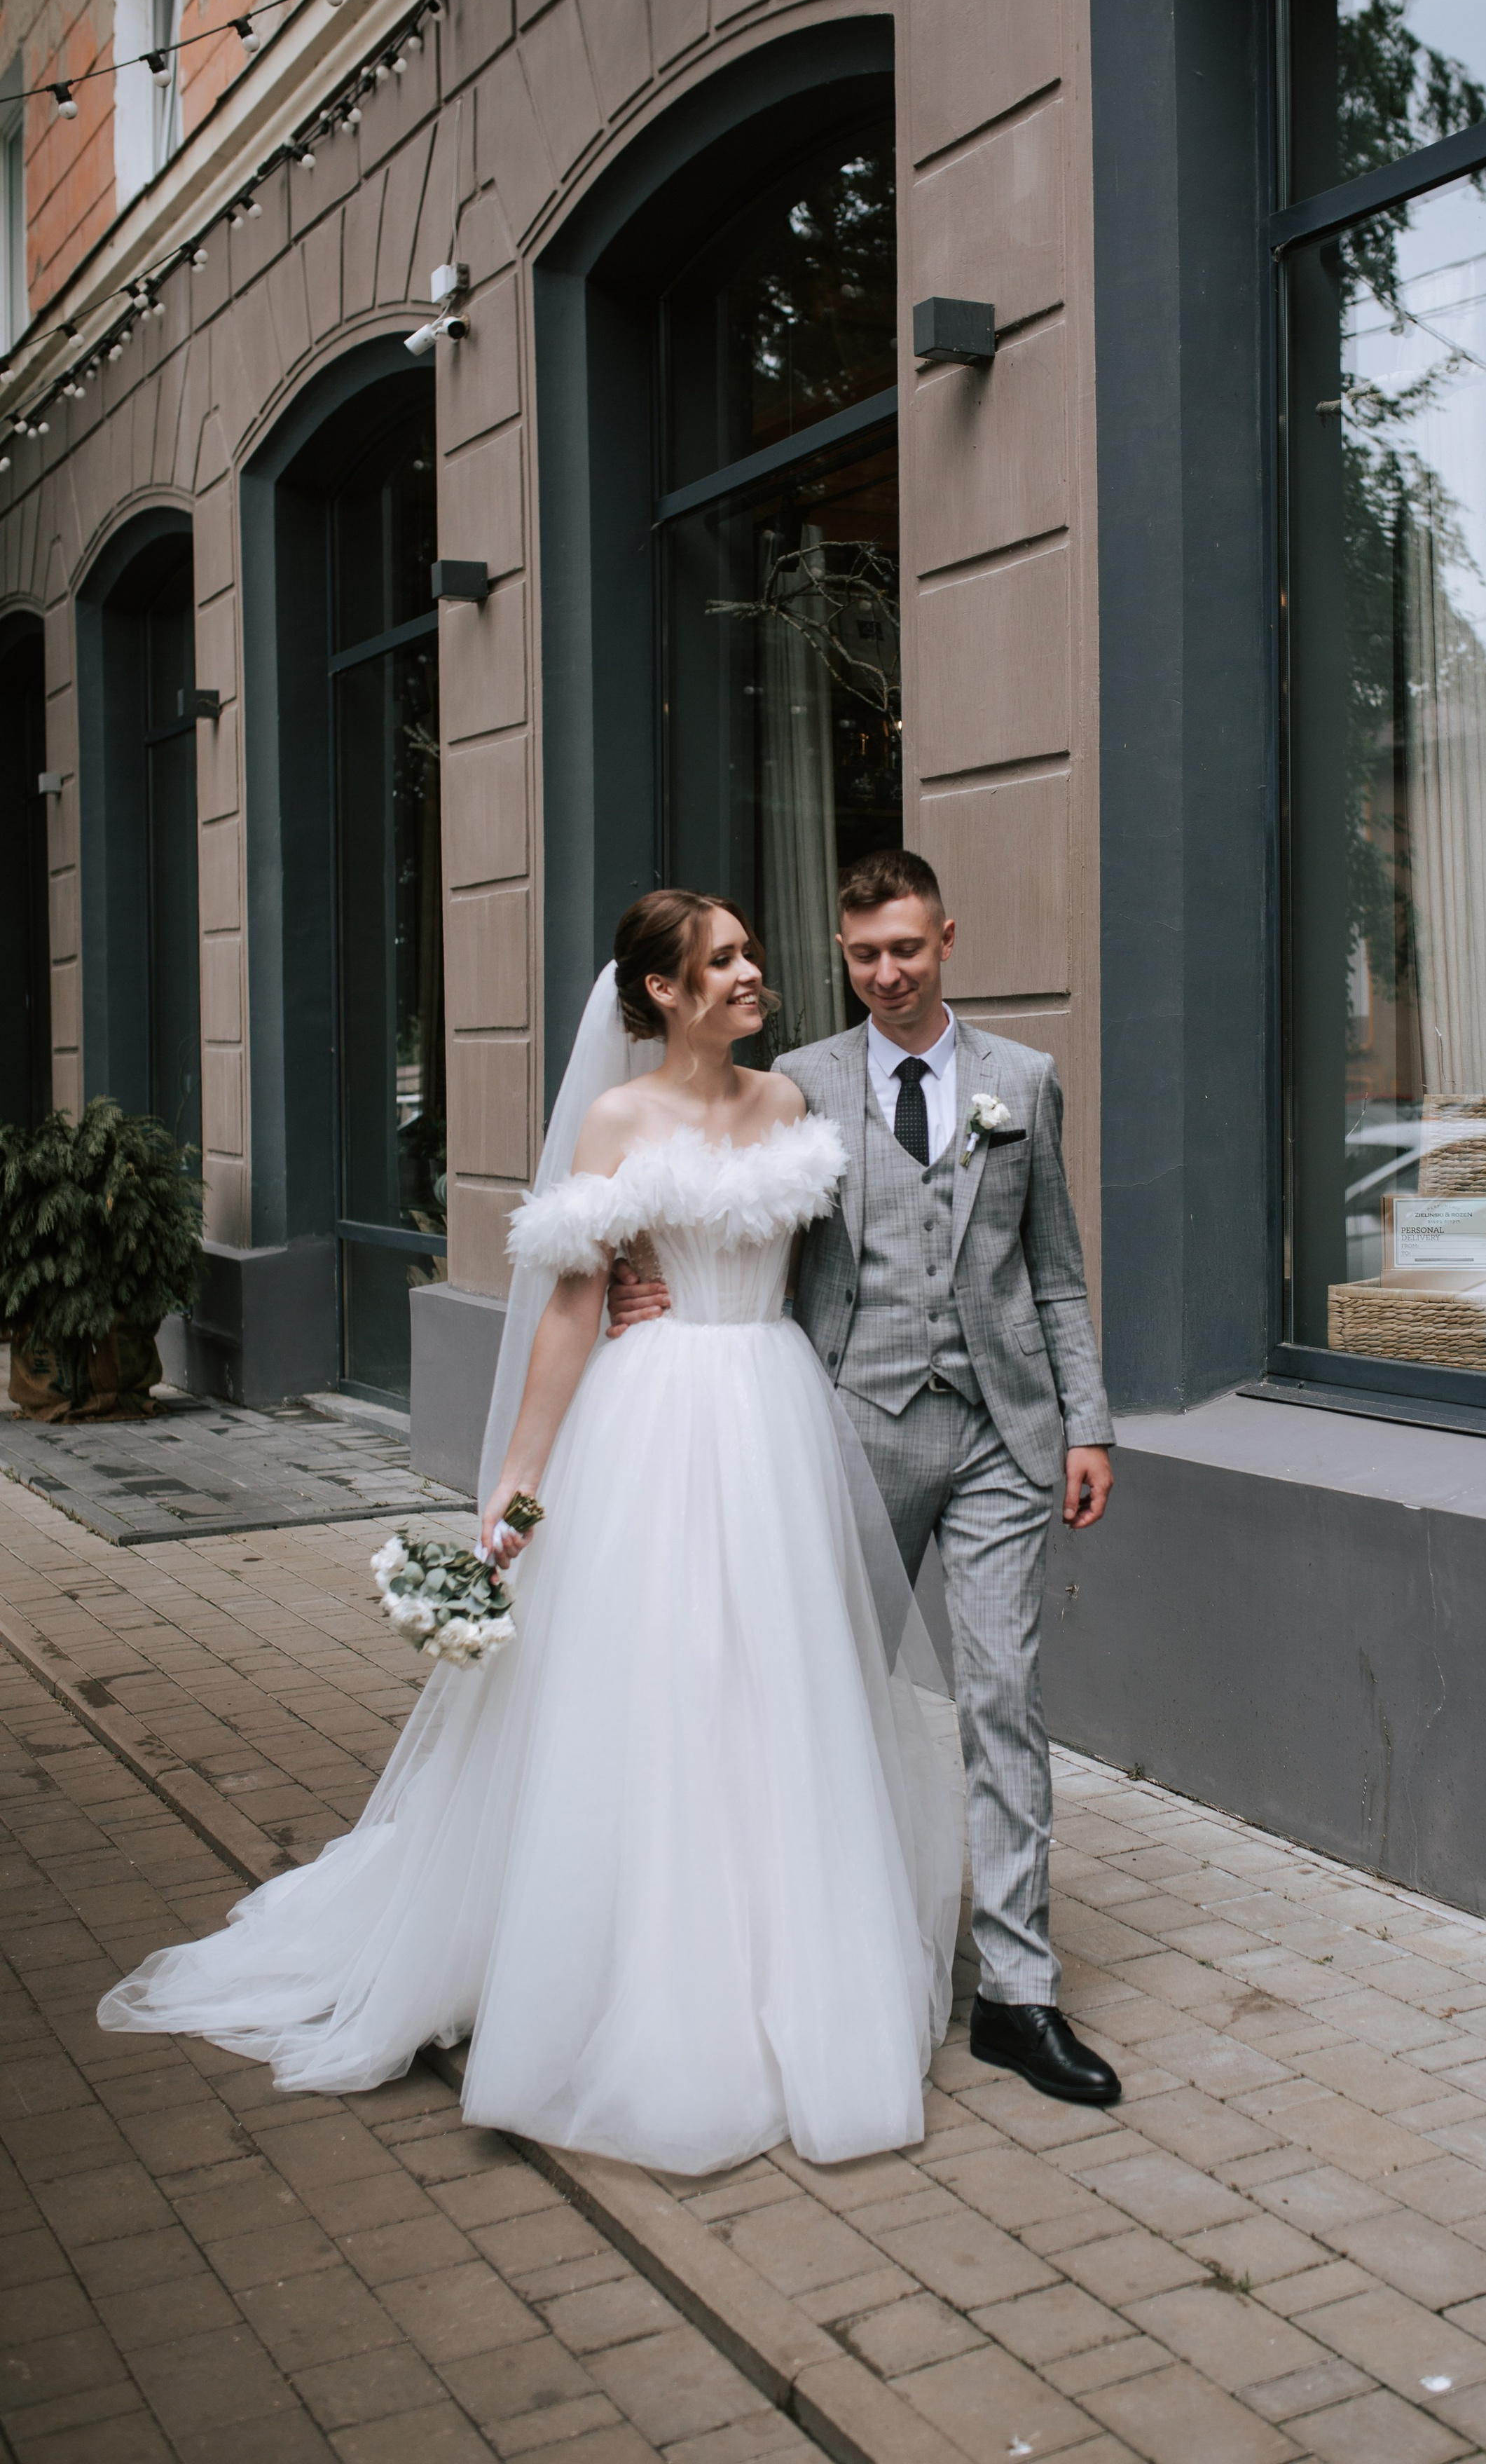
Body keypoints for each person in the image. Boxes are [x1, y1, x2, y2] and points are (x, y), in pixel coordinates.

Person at [97, 893, 963, 2175]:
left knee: (776, 1689)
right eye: (721, 961)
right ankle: (638, 1982)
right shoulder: (619, 1122)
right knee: (656, 1689)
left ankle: (791, 1966)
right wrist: (515, 1477)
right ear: (662, 993)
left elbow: (836, 1270)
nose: (750, 973)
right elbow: (568, 1307)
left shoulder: (789, 1104)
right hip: (658, 1417)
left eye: (748, 956)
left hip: (775, 1414)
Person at [611, 849, 1121, 2107]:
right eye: (861, 956)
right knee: (822, 1701)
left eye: (906, 949)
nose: (885, 974)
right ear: (842, 958)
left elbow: (1053, 1267)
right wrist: (643, 1279)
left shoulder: (1025, 1083)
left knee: (1005, 1696)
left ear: (947, 938)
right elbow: (702, 1187)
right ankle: (811, 1962)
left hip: (1007, 1434)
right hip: (852, 1426)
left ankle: (1019, 1995)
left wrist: (1088, 1424)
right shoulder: (796, 1088)